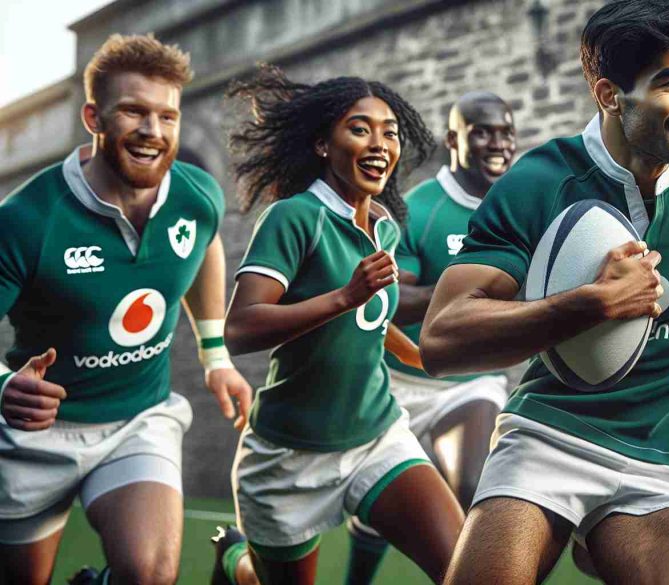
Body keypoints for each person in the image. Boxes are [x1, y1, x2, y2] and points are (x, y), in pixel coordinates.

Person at [419, 2, 669, 583]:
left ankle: (607, 541)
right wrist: (589, 305)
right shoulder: (539, 182)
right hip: (547, 438)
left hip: (658, 462)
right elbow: (441, 340)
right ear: (610, 94)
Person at [0, 34, 252, 585]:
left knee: (150, 575)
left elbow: (204, 242)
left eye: (168, 115)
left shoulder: (197, 194)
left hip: (139, 417)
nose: (153, 132)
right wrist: (3, 385)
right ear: (94, 116)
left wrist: (215, 355)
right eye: (134, 112)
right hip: (35, 437)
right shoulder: (25, 220)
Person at [211, 66, 464, 585]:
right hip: (288, 457)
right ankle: (235, 562)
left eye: (390, 131)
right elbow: (241, 329)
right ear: (324, 145)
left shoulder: (383, 228)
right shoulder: (294, 218)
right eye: (360, 128)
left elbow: (373, 320)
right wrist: (344, 296)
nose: (379, 143)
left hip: (376, 435)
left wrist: (422, 356)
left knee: (468, 568)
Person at [343, 90, 517, 585]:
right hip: (399, 381)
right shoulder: (420, 208)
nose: (498, 144)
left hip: (470, 381)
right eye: (483, 132)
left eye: (506, 132)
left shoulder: (520, 204)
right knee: (372, 508)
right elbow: (397, 297)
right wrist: (475, 286)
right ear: (453, 140)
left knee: (472, 484)